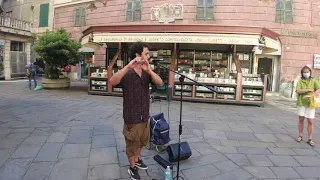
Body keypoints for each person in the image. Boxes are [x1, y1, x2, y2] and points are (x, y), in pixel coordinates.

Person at [109, 42, 163, 180]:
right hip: (131, 117)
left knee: (142, 142)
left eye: (148, 55)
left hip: (144, 115)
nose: (148, 57)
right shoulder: (127, 73)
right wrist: (128, 66)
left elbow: (160, 82)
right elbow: (112, 82)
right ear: (138, 55)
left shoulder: (146, 73)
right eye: (146, 54)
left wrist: (150, 70)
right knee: (132, 144)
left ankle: (137, 159)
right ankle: (132, 167)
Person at [295, 66, 320, 147]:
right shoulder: (300, 81)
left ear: (310, 72)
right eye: (304, 72)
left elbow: (318, 89)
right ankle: (300, 135)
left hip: (310, 103)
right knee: (301, 119)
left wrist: (311, 95)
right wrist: (308, 90)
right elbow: (298, 91)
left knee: (310, 121)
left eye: (307, 72)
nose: (306, 73)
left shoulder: (314, 81)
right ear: (302, 73)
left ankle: (310, 139)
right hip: (301, 103)